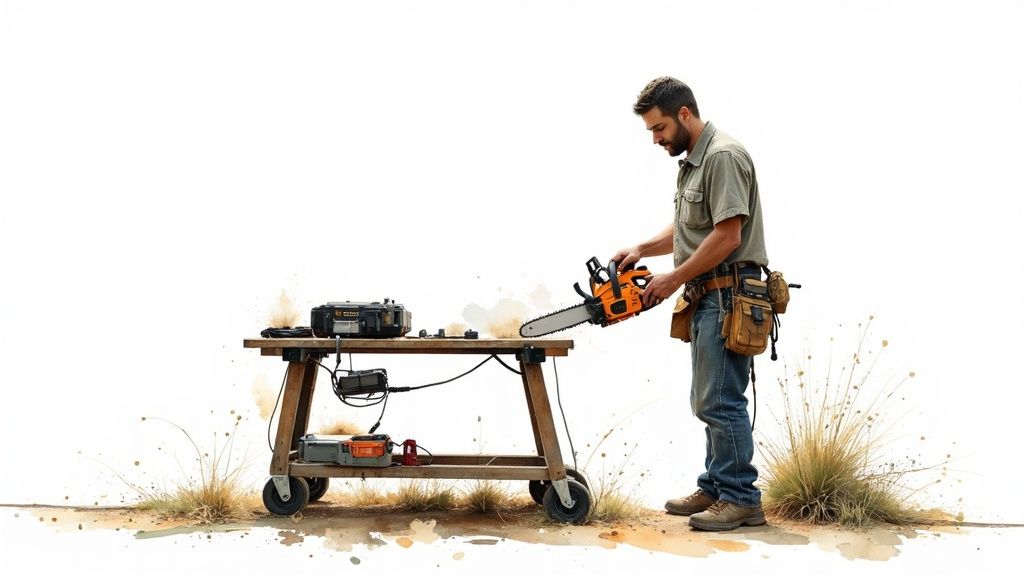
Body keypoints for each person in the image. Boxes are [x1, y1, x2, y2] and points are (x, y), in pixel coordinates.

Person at [611, 76, 769, 531]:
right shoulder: (696, 163)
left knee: (720, 401)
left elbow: (727, 235)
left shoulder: (721, 156)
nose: (656, 139)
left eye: (658, 129)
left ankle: (741, 498)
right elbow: (689, 230)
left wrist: (673, 278)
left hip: (728, 293)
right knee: (708, 399)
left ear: (684, 114)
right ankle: (717, 487)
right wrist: (641, 249)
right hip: (708, 295)